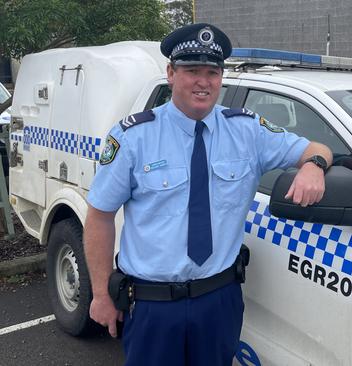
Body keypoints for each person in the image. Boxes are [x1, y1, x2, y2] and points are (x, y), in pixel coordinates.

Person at [84, 23, 332, 366]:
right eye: (192, 71)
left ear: (221, 77)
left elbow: (317, 148)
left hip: (219, 301)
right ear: (171, 73)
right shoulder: (133, 137)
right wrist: (100, 294)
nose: (203, 81)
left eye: (212, 72)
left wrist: (314, 165)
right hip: (153, 306)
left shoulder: (247, 131)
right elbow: (99, 216)